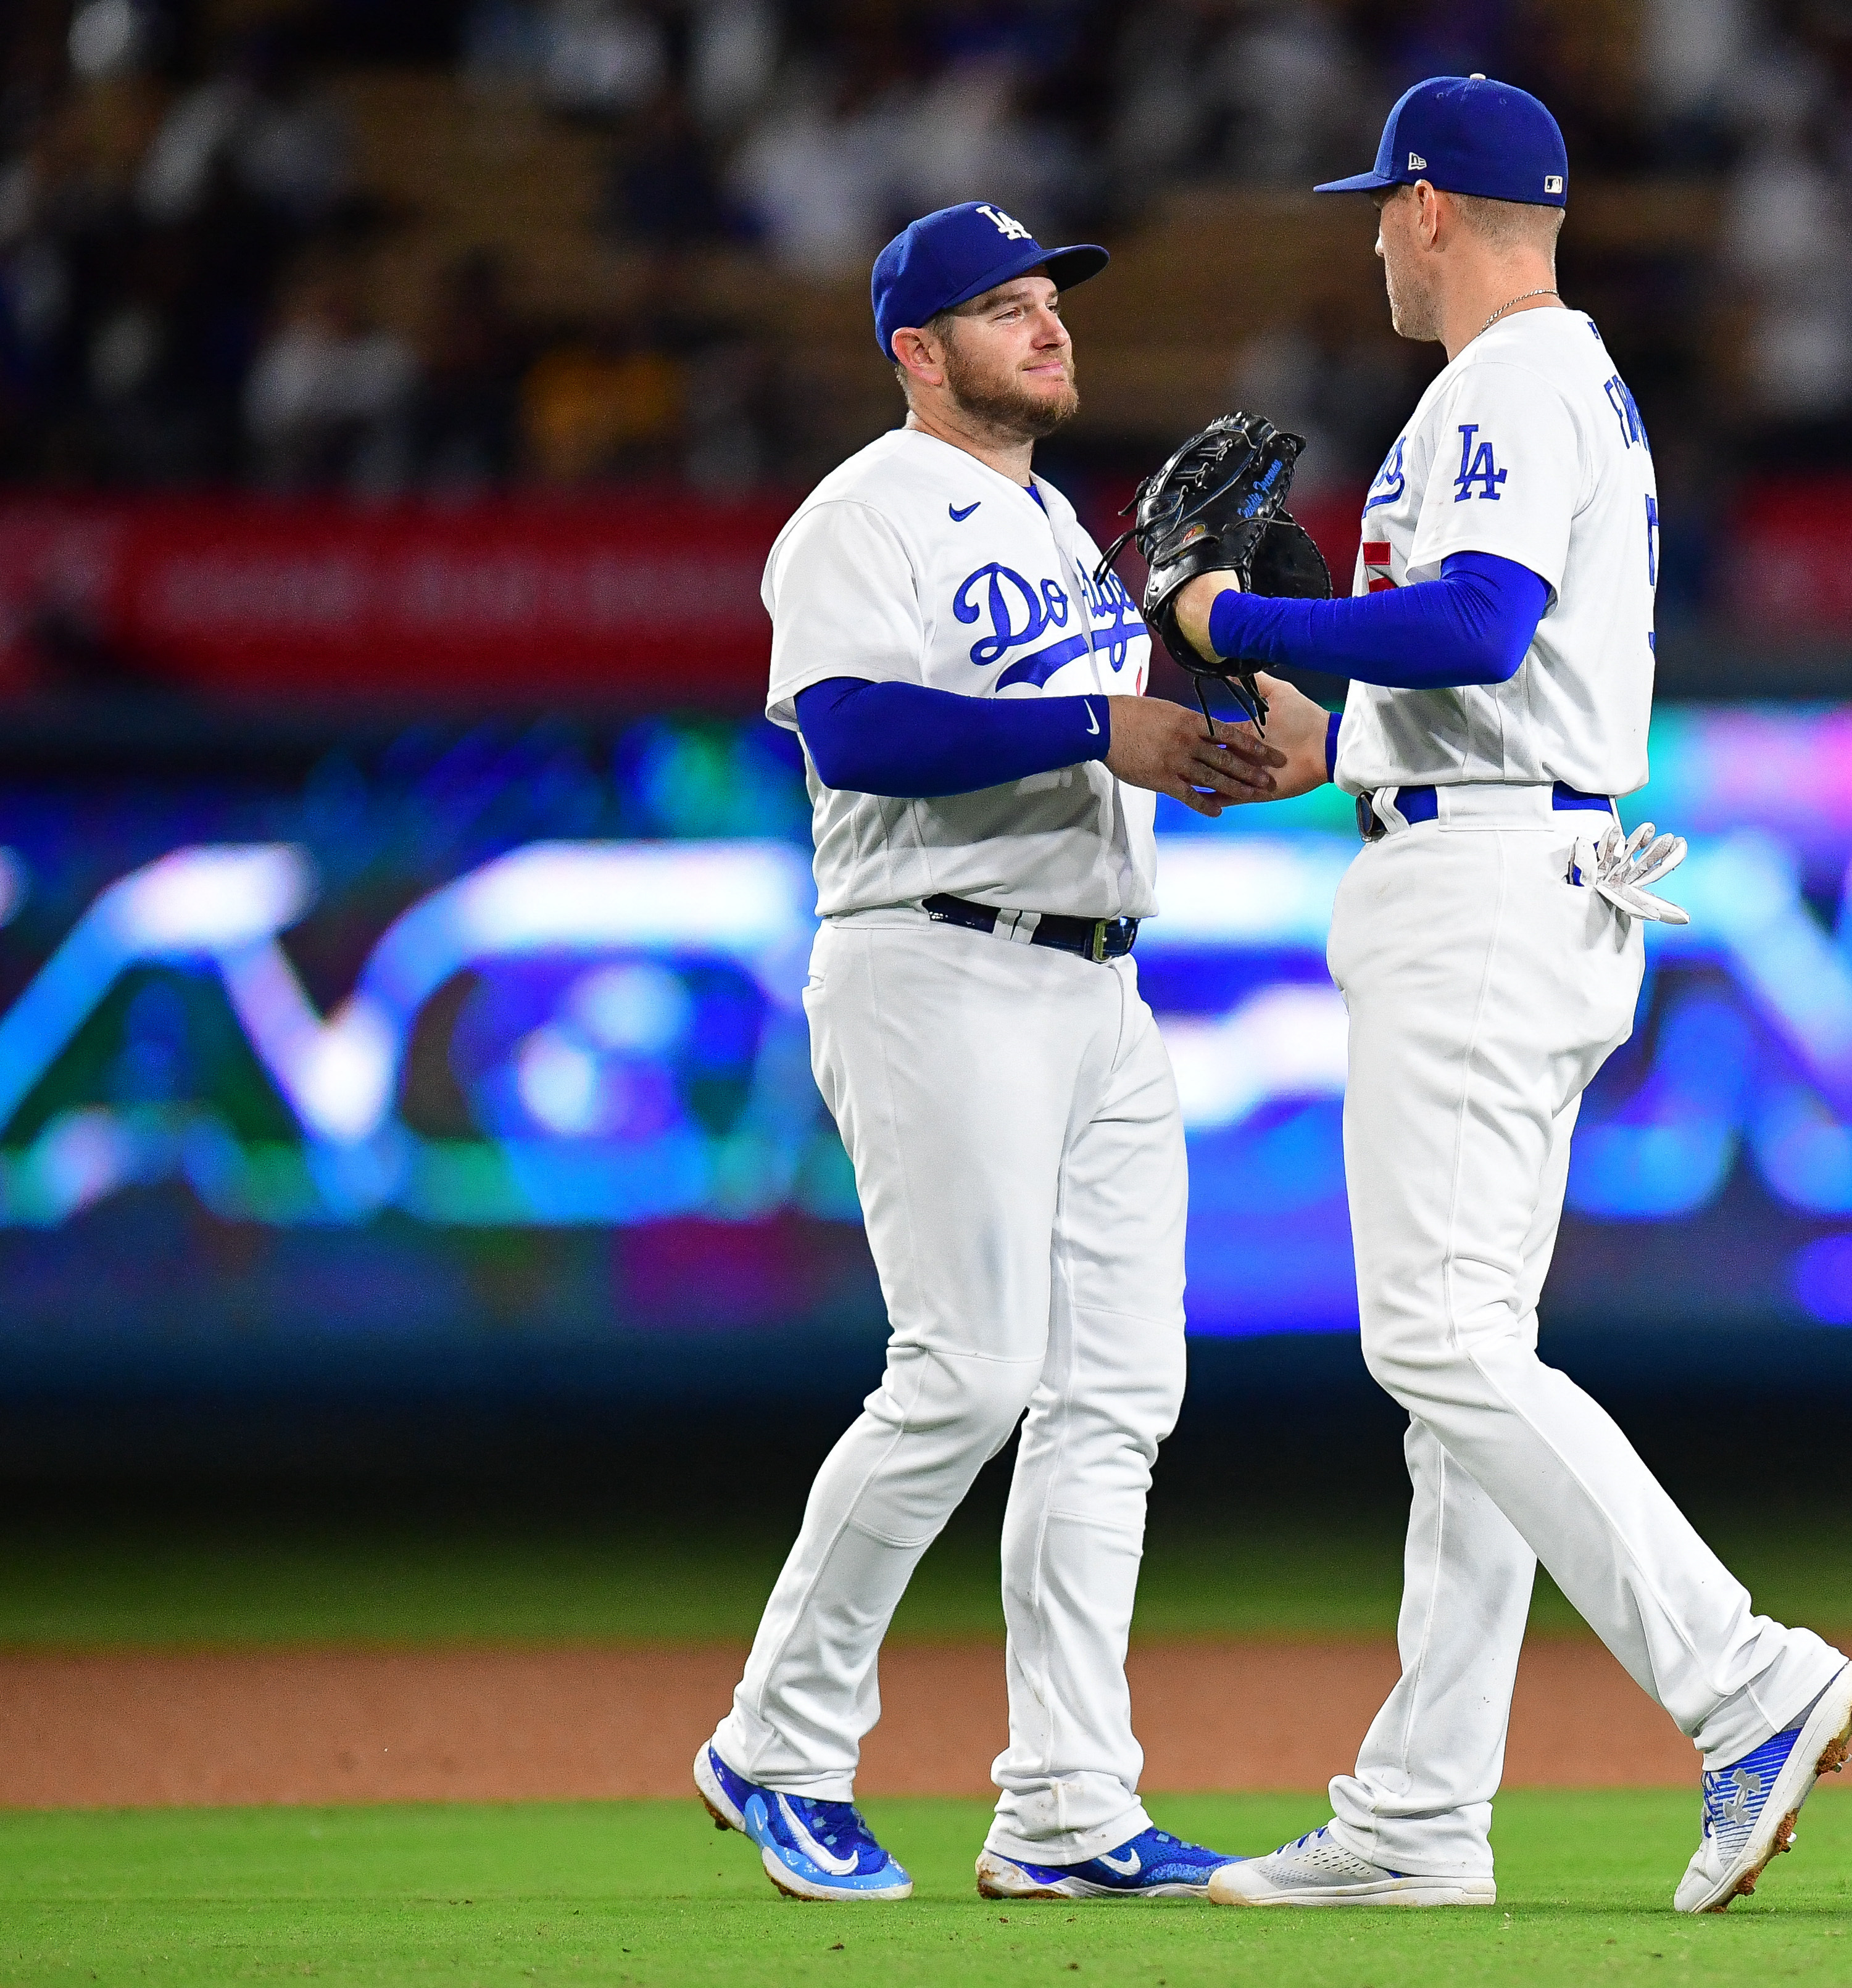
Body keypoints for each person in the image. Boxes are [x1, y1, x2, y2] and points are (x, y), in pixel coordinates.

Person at [1158, 76, 1852, 1915]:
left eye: (1371, 208)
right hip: (1511, 852)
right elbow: (1487, 674)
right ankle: (1416, 1818)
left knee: (1441, 1347)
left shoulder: (1505, 379)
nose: (1366, 240)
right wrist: (1329, 725)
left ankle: (1741, 1679)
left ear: (1425, 206)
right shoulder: (1554, 383)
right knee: (1462, 1367)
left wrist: (1239, 627)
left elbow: (1476, 623)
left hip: (1484, 891)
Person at [692, 199, 1281, 1904]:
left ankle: (1069, 1812)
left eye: (1049, 302)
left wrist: (1244, 678)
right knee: (963, 1372)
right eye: (999, 307)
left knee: (1114, 1401)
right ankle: (777, 1747)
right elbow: (861, 733)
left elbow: (1139, 750)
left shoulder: (1066, 547)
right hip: (936, 965)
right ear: (912, 348)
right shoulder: (859, 516)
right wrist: (1101, 717)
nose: (1045, 327)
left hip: (1101, 987)